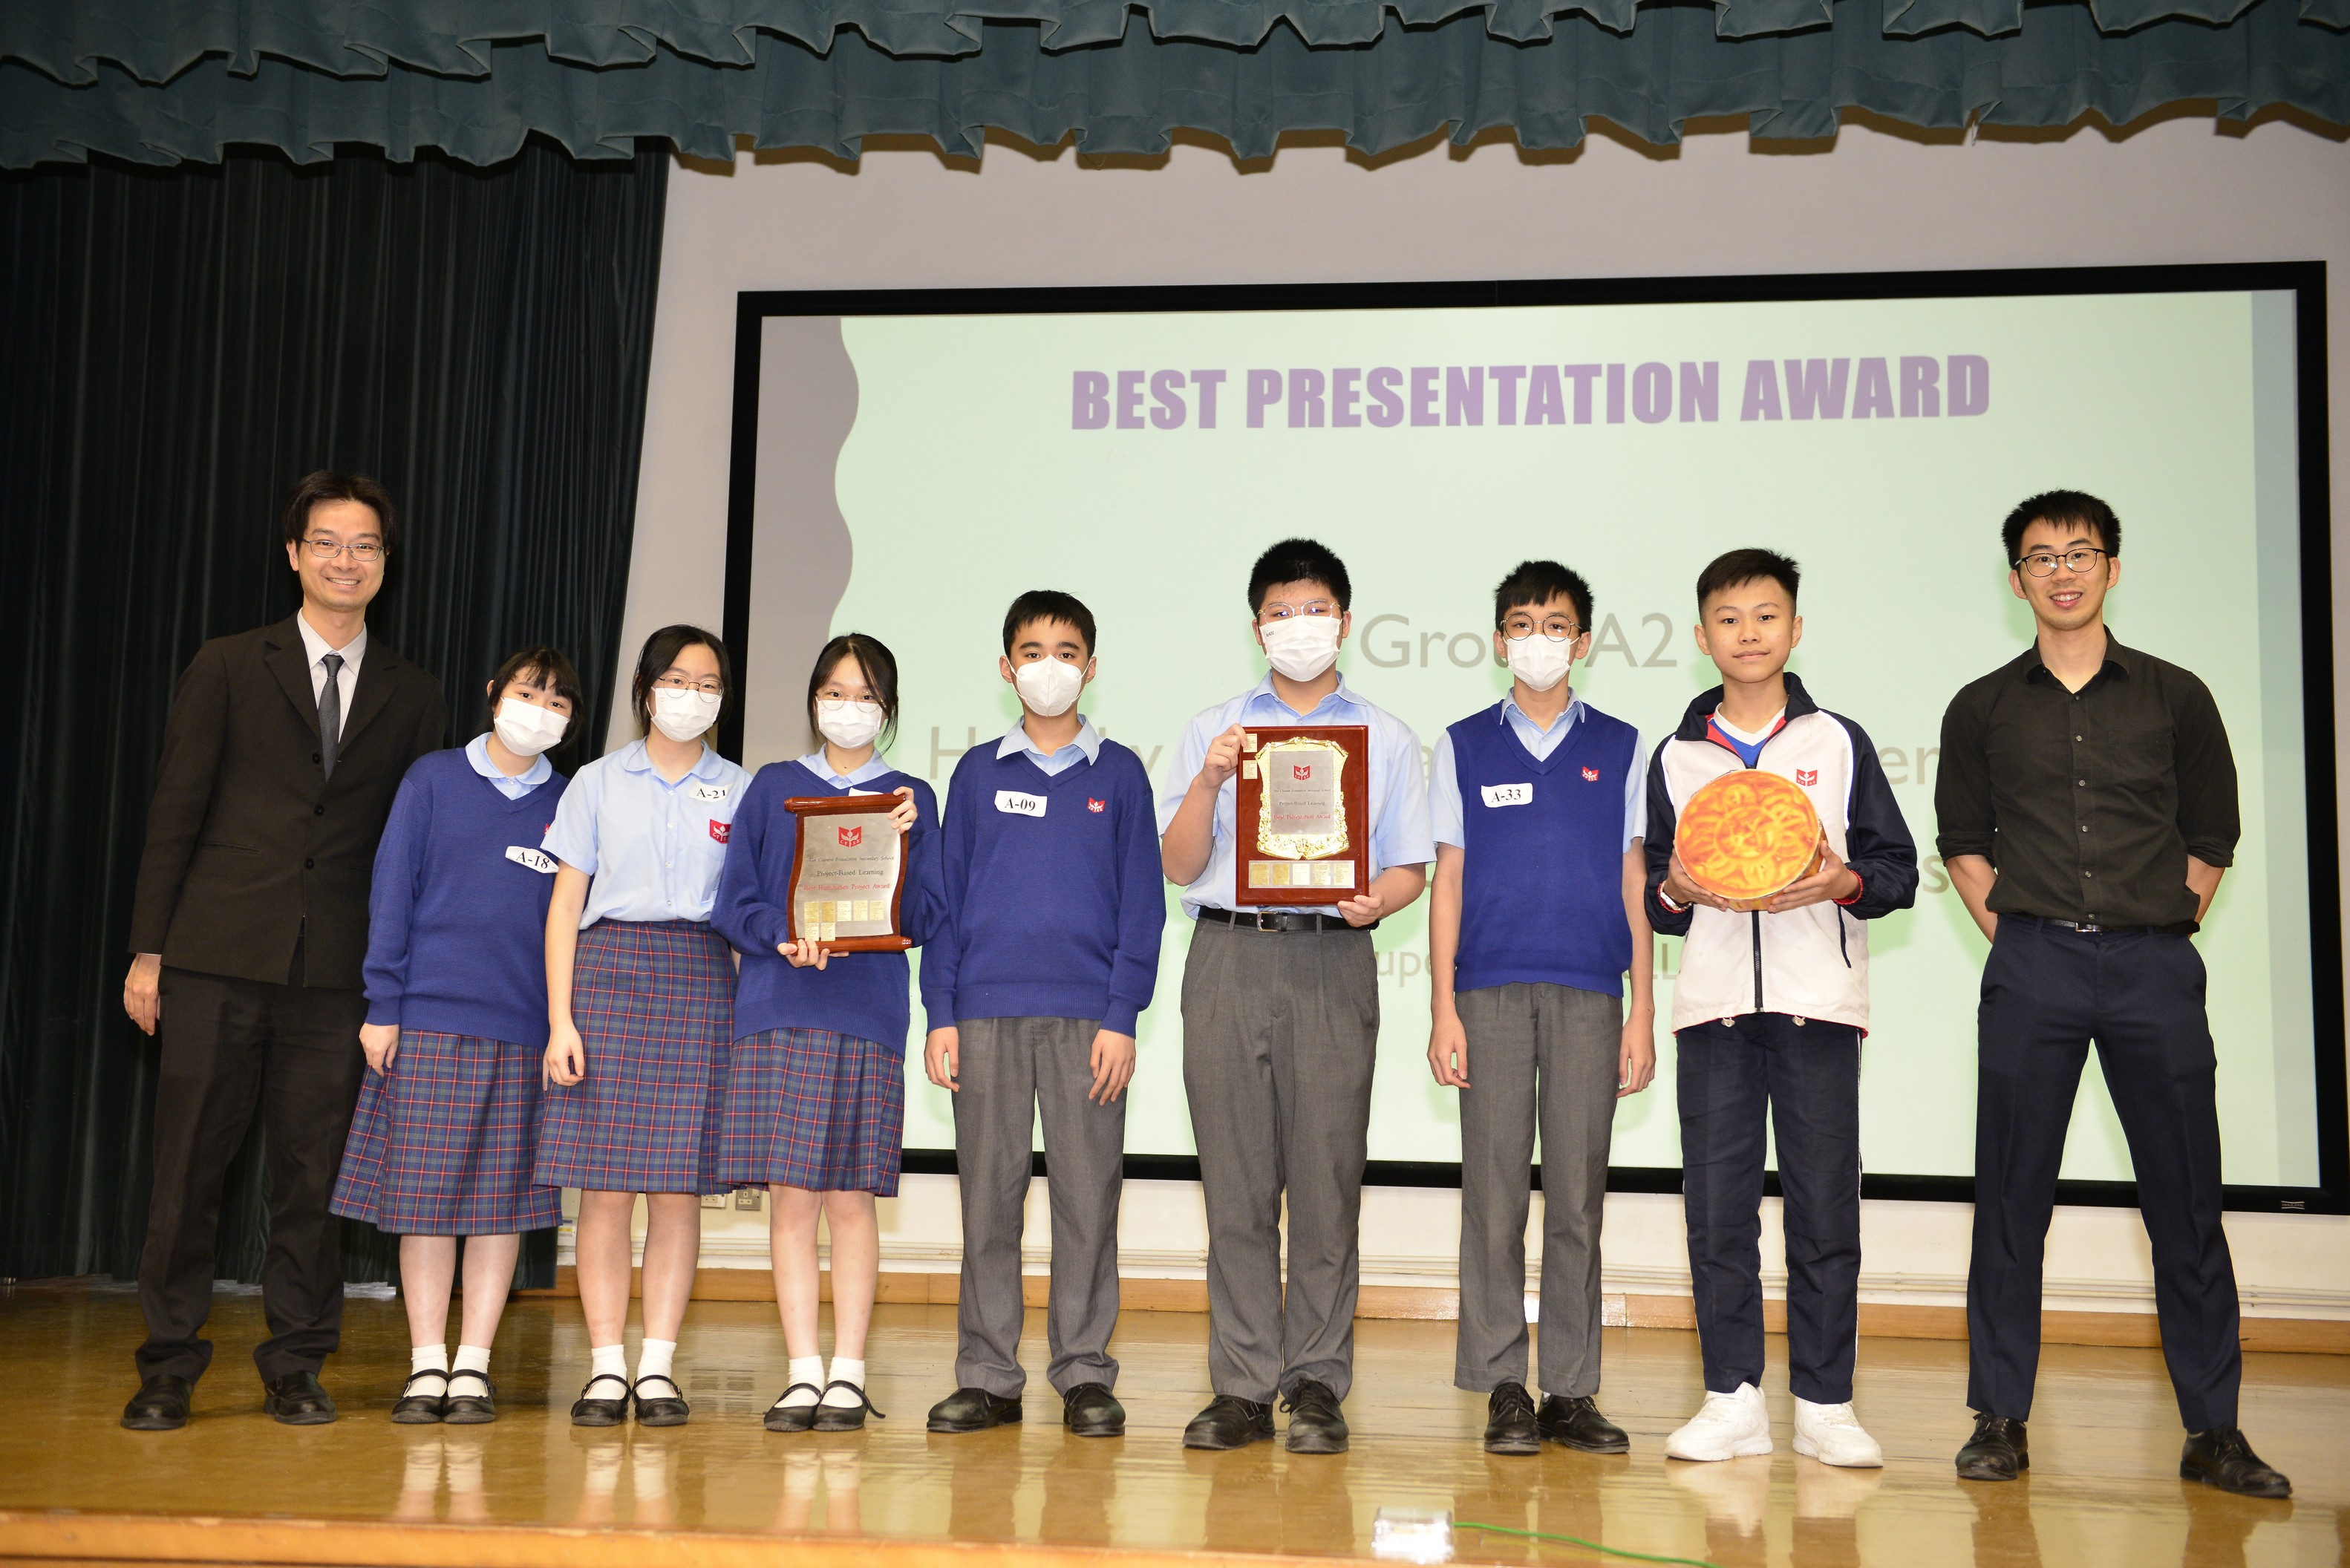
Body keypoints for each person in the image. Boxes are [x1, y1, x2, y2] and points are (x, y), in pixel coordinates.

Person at [1936, 491, 2291, 1497]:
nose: (2062, 571)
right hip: (2033, 966)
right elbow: (1962, 842)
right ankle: (1998, 1419)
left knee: (2187, 1204)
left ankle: (2214, 1430)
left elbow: (2211, 837)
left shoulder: (2177, 697)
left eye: (2080, 553)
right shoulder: (1981, 707)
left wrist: (2157, 926)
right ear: (2016, 580)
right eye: (2041, 557)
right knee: (2012, 1201)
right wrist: (2028, 940)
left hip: (2152, 969)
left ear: (2112, 569)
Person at [120, 471, 448, 1432]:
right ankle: (168, 1366)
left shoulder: (415, 693)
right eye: (329, 543)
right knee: (188, 1173)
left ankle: (297, 1362)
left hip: (339, 975)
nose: (348, 560)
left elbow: (411, 851)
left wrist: (398, 983)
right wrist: (149, 952)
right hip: (215, 956)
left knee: (313, 1180)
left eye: (366, 546)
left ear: (386, 563)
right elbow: (175, 811)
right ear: (296, 554)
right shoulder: (228, 664)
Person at [1158, 538, 1434, 1454]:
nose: (1298, 626)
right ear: (1257, 628)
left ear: (1343, 622)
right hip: (1228, 956)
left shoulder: (1385, 737)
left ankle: (1315, 1382)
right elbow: (1179, 865)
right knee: (1235, 1185)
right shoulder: (1215, 729)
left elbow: (1410, 868)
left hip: (1330, 959)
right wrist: (1209, 781)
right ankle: (1241, 1385)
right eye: (1281, 613)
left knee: (1326, 1182)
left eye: (1314, 611)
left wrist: (1378, 901)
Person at [1645, 548, 1916, 1469]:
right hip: (1714, 1010)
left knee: (1823, 1211)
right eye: (1729, 619)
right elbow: (1656, 898)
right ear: (1701, 637)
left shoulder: (1838, 742)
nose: (1748, 633)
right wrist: (1677, 889)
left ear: (1796, 630)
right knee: (1717, 1213)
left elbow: (1895, 873)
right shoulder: (1675, 755)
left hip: (1817, 1007)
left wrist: (1841, 880)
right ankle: (1732, 1400)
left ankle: (1826, 1404)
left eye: (1766, 616)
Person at [919, 592, 1165, 1439]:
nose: (1048, 667)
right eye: (1032, 652)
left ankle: (1085, 1372)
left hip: (1089, 1023)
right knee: (988, 1202)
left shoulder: (1121, 773)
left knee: (1088, 1202)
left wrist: (1122, 1015)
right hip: (983, 1017)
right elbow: (945, 902)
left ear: (1090, 669)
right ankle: (988, 1375)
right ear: (1006, 667)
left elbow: (1143, 908)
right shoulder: (976, 773)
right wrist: (940, 1012)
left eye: (1066, 652)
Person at [1426, 560, 1655, 1457]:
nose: (1538, 640)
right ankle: (1502, 1387)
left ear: (1583, 643)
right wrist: (1442, 1007)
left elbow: (1635, 879)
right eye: (1522, 625)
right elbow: (1448, 880)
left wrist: (1642, 1010)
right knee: (1492, 1199)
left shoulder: (1623, 746)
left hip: (1592, 992)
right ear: (1499, 642)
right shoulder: (1462, 744)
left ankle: (1570, 1389)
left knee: (1576, 1199)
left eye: (1555, 626)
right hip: (1485, 993)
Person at [328, 647, 583, 1424]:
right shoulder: (432, 780)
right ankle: (425, 1364)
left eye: (558, 702)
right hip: (430, 1021)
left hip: (523, 1031)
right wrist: (384, 1004)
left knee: (499, 1207)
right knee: (426, 1203)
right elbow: (391, 894)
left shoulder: (572, 802)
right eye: (528, 693)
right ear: (494, 693)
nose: (540, 710)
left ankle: (473, 1364)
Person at [712, 633, 935, 1432]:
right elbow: (733, 902)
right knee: (791, 1202)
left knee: (850, 1200)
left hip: (866, 1012)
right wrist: (781, 935)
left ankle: (848, 1374)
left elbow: (928, 914)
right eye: (836, 693)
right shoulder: (774, 785)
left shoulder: (910, 797)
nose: (849, 708)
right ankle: (802, 1372)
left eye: (866, 696)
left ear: (889, 709)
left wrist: (909, 838)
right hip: (780, 1006)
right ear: (813, 700)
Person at [537, 625, 749, 1429]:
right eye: (677, 679)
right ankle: (604, 1367)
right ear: (646, 687)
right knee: (604, 1190)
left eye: (707, 683)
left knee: (678, 1191)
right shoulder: (595, 782)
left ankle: (656, 1367)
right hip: (607, 978)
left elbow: (751, 912)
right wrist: (560, 1019)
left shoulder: (743, 789)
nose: (691, 695)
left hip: (702, 978)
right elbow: (564, 906)